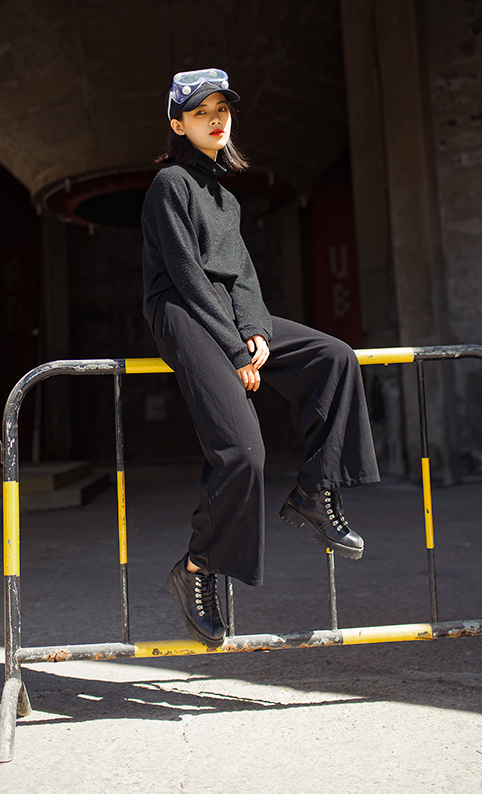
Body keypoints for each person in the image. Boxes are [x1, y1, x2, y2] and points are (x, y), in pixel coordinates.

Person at [141, 68, 379, 646]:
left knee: (335, 358)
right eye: (200, 112)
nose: (215, 119)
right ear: (178, 124)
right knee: (244, 452)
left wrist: (256, 333)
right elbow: (187, 275)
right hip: (182, 312)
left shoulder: (226, 197)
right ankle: (196, 568)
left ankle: (315, 492)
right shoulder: (170, 184)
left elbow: (243, 276)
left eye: (222, 109)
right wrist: (235, 349)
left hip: (225, 312)